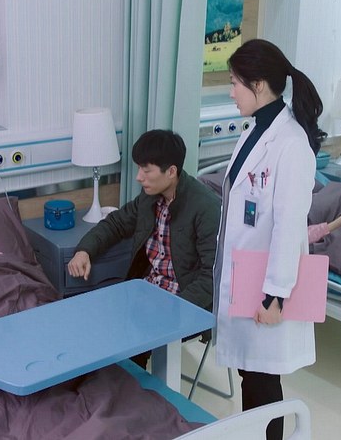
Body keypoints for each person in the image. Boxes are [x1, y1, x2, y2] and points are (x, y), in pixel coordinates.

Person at [214, 38, 324, 440]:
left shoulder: (291, 145)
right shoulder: (255, 132)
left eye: (235, 83)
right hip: (247, 274)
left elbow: (289, 225)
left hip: (266, 286)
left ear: (258, 85)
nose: (231, 92)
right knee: (252, 375)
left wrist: (276, 294)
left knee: (262, 381)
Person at [67, 129, 221, 367]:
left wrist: (175, 310)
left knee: (131, 341)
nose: (139, 177)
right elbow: (117, 223)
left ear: (171, 171)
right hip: (147, 291)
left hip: (182, 300)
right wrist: (84, 250)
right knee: (93, 322)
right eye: (139, 169)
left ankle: (135, 382)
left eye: (146, 170)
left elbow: (211, 276)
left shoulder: (205, 207)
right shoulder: (150, 197)